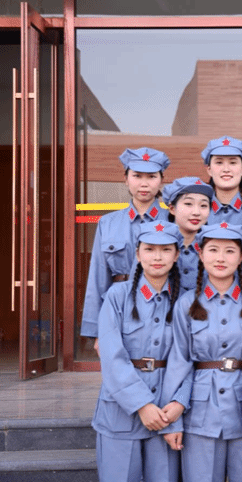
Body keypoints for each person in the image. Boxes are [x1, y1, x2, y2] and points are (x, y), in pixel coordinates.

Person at [161, 222, 242, 482]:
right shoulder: (186, 304)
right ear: (200, 254)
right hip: (200, 412)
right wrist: (172, 420)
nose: (221, 257)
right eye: (213, 250)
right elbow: (179, 361)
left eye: (230, 251)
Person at [93, 220, 186, 482]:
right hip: (120, 411)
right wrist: (142, 405)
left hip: (166, 413)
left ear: (176, 255)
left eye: (166, 250)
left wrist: (178, 404)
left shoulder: (185, 301)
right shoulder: (117, 296)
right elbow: (111, 355)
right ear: (137, 253)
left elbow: (190, 358)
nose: (157, 257)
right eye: (149, 249)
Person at [82, 147, 170, 345]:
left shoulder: (172, 222)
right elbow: (98, 277)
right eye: (137, 176)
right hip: (119, 307)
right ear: (125, 179)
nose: (144, 183)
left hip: (163, 306)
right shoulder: (108, 223)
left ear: (161, 180)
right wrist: (96, 332)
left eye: (151, 176)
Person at [163, 177, 213, 291]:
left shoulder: (214, 248)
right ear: (172, 208)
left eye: (203, 205)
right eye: (188, 204)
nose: (196, 212)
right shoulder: (154, 244)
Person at [202, 137, 242, 231]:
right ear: (209, 170)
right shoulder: (199, 209)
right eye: (219, 162)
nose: (226, 169)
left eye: (232, 163)